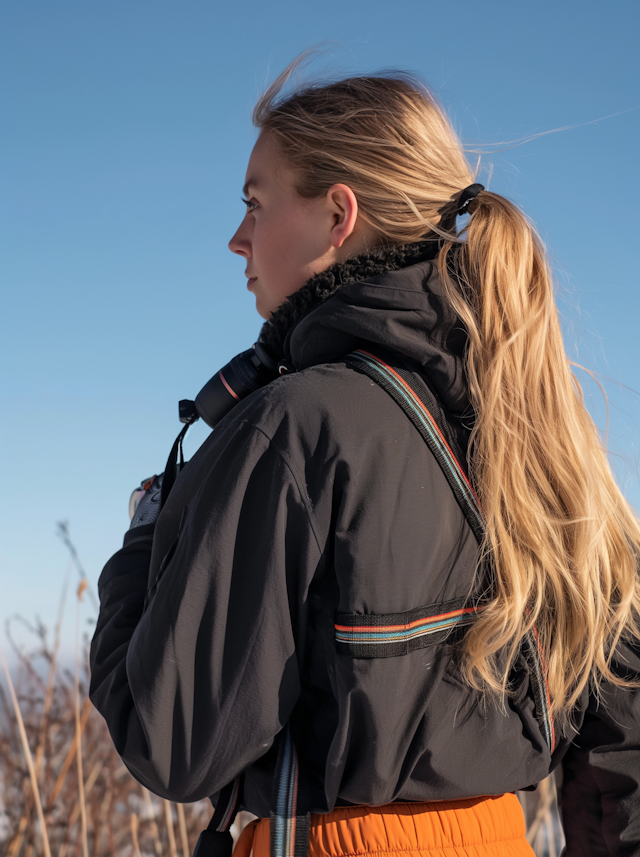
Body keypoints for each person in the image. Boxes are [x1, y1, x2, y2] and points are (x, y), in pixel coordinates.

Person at [90, 59, 640, 857]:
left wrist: (143, 539)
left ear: (337, 215)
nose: (237, 238)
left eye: (255, 203)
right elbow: (622, 728)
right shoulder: (539, 431)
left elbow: (171, 738)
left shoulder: (295, 426)